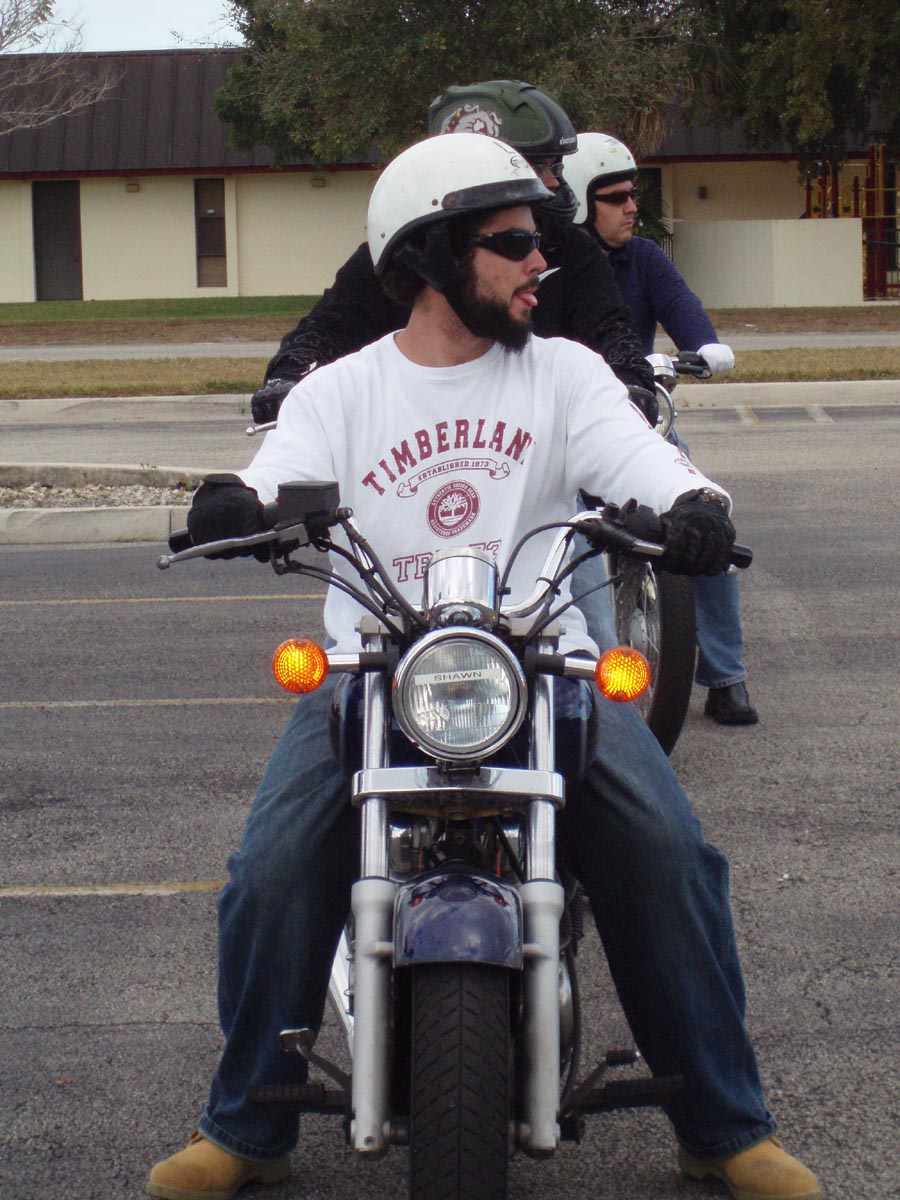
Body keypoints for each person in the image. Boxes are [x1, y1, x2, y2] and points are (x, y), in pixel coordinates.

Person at [147, 134, 820, 1200]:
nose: (538, 261)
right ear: (428, 254)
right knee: (268, 874)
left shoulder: (565, 375)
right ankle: (244, 1127)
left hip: (546, 666)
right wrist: (237, 503)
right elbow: (277, 474)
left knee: (671, 855)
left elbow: (646, 461)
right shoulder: (341, 393)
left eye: (537, 240)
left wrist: (694, 506)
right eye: (510, 243)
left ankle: (723, 1126)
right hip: (373, 670)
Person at [249, 79, 658, 430]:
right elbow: (329, 328)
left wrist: (630, 378)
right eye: (538, 166)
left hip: (542, 441)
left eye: (557, 166)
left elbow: (610, 328)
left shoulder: (573, 250)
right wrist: (291, 375)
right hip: (417, 440)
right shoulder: (404, 253)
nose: (553, 182)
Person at [565, 131, 760, 727]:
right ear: (578, 202)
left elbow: (683, 308)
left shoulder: (644, 258)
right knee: (560, 538)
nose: (632, 207)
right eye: (616, 198)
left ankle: (726, 677)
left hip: (638, 418)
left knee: (706, 519)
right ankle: (572, 674)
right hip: (567, 432)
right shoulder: (551, 265)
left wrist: (704, 346)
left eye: (634, 195)